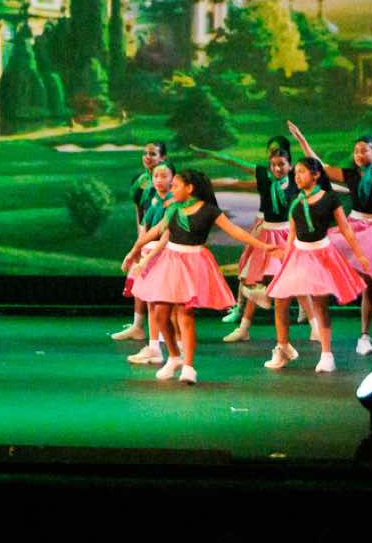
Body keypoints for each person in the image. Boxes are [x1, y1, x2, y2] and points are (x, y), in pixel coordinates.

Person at [117, 168, 277, 384]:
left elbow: (235, 231)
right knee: (161, 314)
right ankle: (174, 357)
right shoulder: (173, 208)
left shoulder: (209, 210)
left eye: (176, 185)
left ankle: (188, 366)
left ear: (189, 188)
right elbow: (155, 231)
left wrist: (263, 246)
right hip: (170, 262)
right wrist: (133, 251)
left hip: (193, 263)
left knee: (185, 313)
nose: (172, 189)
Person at [286, 122, 372, 356]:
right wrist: (301, 139)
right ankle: (311, 305)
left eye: (364, 150)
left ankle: (364, 336)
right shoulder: (351, 175)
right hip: (354, 226)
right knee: (320, 253)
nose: (358, 154)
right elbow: (320, 166)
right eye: (356, 151)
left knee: (369, 286)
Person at [262, 156, 372, 374]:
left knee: (320, 303)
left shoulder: (329, 199)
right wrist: (285, 256)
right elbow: (292, 233)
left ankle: (326, 354)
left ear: (316, 174)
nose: (297, 176)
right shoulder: (295, 200)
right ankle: (283, 347)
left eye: (302, 172)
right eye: (296, 173)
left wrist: (360, 255)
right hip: (299, 253)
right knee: (280, 299)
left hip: (321, 254)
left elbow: (345, 228)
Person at [204, 138, 296, 343]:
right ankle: (243, 324)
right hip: (267, 230)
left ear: (290, 164)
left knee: (295, 278)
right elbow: (235, 168)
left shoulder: (296, 179)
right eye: (273, 161)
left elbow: (321, 178)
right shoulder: (265, 177)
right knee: (255, 278)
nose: (277, 167)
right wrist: (212, 156)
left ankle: (313, 324)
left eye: (281, 162)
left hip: (288, 234)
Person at [111, 141, 169, 345]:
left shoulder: (168, 180)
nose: (147, 157)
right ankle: (137, 326)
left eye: (152, 154)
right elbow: (140, 211)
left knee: (160, 285)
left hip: (163, 237)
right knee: (140, 279)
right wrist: (140, 239)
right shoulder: (140, 180)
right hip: (146, 236)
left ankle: (164, 329)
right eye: (145, 153)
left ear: (163, 158)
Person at [121, 161, 177, 367]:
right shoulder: (154, 200)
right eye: (156, 176)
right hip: (148, 253)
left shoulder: (173, 203)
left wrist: (145, 257)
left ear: (173, 179)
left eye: (164, 176)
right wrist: (135, 252)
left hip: (164, 255)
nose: (159, 180)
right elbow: (146, 228)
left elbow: (164, 235)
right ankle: (154, 348)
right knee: (151, 302)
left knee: (167, 305)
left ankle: (176, 350)